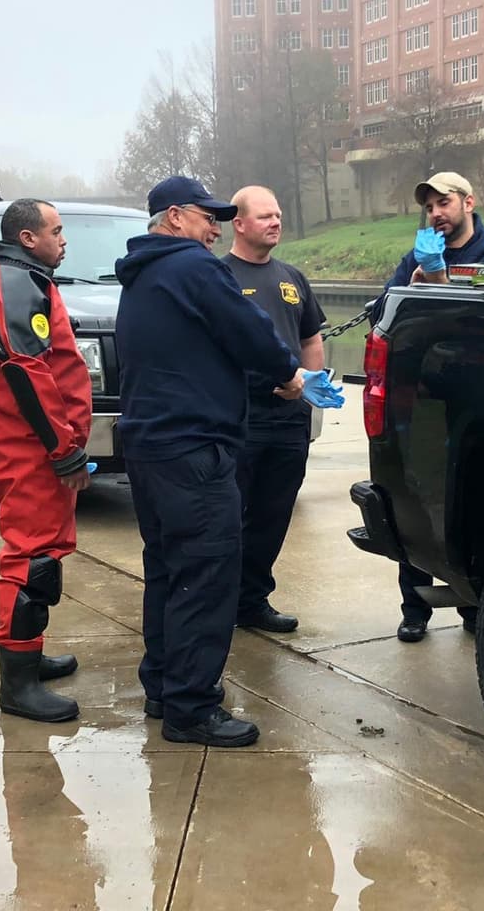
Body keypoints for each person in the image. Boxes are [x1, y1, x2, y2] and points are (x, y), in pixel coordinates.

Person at [115, 176, 306, 748]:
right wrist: (290, 375)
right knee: (207, 575)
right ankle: (192, 708)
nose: (215, 226)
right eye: (207, 216)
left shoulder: (143, 274)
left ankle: (164, 686)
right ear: (174, 217)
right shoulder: (195, 268)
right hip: (195, 449)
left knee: (169, 570)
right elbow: (250, 331)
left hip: (149, 448)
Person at [0, 198, 92, 721]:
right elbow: (26, 371)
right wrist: (66, 449)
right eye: (56, 230)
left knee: (44, 552)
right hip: (26, 443)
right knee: (30, 561)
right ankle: (18, 687)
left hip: (32, 439)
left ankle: (28, 656)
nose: (63, 239)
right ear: (27, 238)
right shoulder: (15, 282)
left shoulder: (27, 280)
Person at [382, 172, 484, 643]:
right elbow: (384, 318)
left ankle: (474, 605)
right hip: (419, 404)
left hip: (474, 408)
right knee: (413, 502)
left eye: (444, 202)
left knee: (474, 505)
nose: (436, 213)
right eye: (430, 207)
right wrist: (415, 285)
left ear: (468, 203)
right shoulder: (413, 260)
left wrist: (442, 284)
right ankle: (414, 606)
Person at [223, 185, 327, 634]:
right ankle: (220, 602)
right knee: (230, 514)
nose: (276, 222)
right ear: (239, 223)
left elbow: (310, 337)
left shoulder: (291, 278)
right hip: (241, 417)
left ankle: (252, 599)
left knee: (274, 513)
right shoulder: (218, 276)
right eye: (265, 215)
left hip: (289, 419)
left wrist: (307, 385)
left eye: (279, 215)